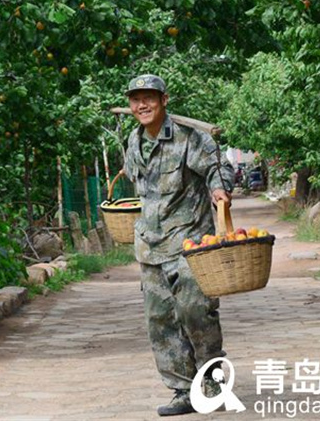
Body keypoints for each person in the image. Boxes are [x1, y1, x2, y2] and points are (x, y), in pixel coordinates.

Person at [122, 74, 235, 417]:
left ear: (164, 100)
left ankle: (212, 380)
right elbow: (134, 180)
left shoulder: (189, 138)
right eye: (135, 99)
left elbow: (219, 169)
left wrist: (219, 189)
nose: (142, 105)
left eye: (149, 98)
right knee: (160, 320)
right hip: (150, 245)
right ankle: (183, 390)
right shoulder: (133, 140)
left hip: (190, 240)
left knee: (195, 311)